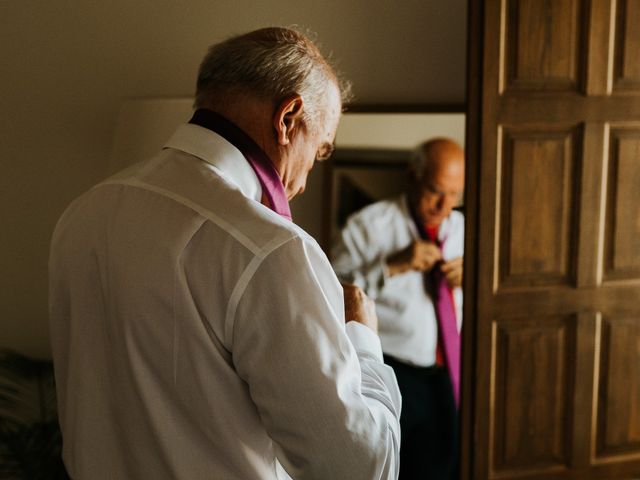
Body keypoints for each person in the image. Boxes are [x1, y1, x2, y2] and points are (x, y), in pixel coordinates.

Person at [49, 27, 401, 480]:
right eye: (320, 149)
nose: (305, 181)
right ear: (289, 118)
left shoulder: (83, 215)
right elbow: (359, 468)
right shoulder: (271, 250)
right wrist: (363, 342)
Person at [331, 138, 465, 480]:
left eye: (454, 195)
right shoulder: (369, 226)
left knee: (445, 466)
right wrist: (389, 266)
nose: (443, 205)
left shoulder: (464, 230)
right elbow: (332, 292)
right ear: (413, 176)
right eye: (436, 190)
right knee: (390, 467)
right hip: (393, 369)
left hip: (446, 371)